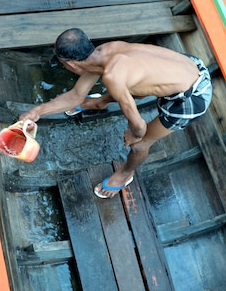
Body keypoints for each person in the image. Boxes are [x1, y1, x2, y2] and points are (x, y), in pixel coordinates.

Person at [19, 28, 212, 198]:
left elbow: (139, 125)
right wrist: (38, 111)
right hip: (191, 65)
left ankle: (125, 174)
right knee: (129, 87)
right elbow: (76, 96)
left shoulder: (112, 75)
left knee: (140, 144)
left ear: (71, 65)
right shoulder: (105, 51)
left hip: (191, 97)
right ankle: (99, 103)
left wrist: (133, 135)